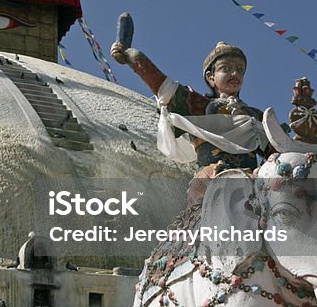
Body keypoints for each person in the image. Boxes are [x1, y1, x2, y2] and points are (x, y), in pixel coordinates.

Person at [110, 38, 270, 206]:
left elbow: (276, 150)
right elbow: (162, 85)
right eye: (226, 69)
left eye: (240, 70)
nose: (235, 74)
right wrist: (132, 56)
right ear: (211, 77)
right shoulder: (197, 105)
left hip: (252, 182)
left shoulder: (255, 117)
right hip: (211, 177)